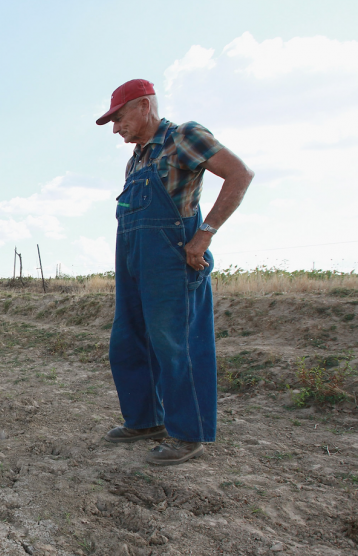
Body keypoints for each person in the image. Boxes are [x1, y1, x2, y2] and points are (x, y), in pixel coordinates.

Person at [96, 79, 254, 465]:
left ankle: (188, 433)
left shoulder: (183, 136)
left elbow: (240, 174)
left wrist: (204, 236)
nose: (116, 128)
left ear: (143, 106)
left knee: (176, 343)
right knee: (128, 340)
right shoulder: (137, 159)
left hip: (171, 258)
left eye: (118, 118)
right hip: (134, 258)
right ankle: (145, 420)